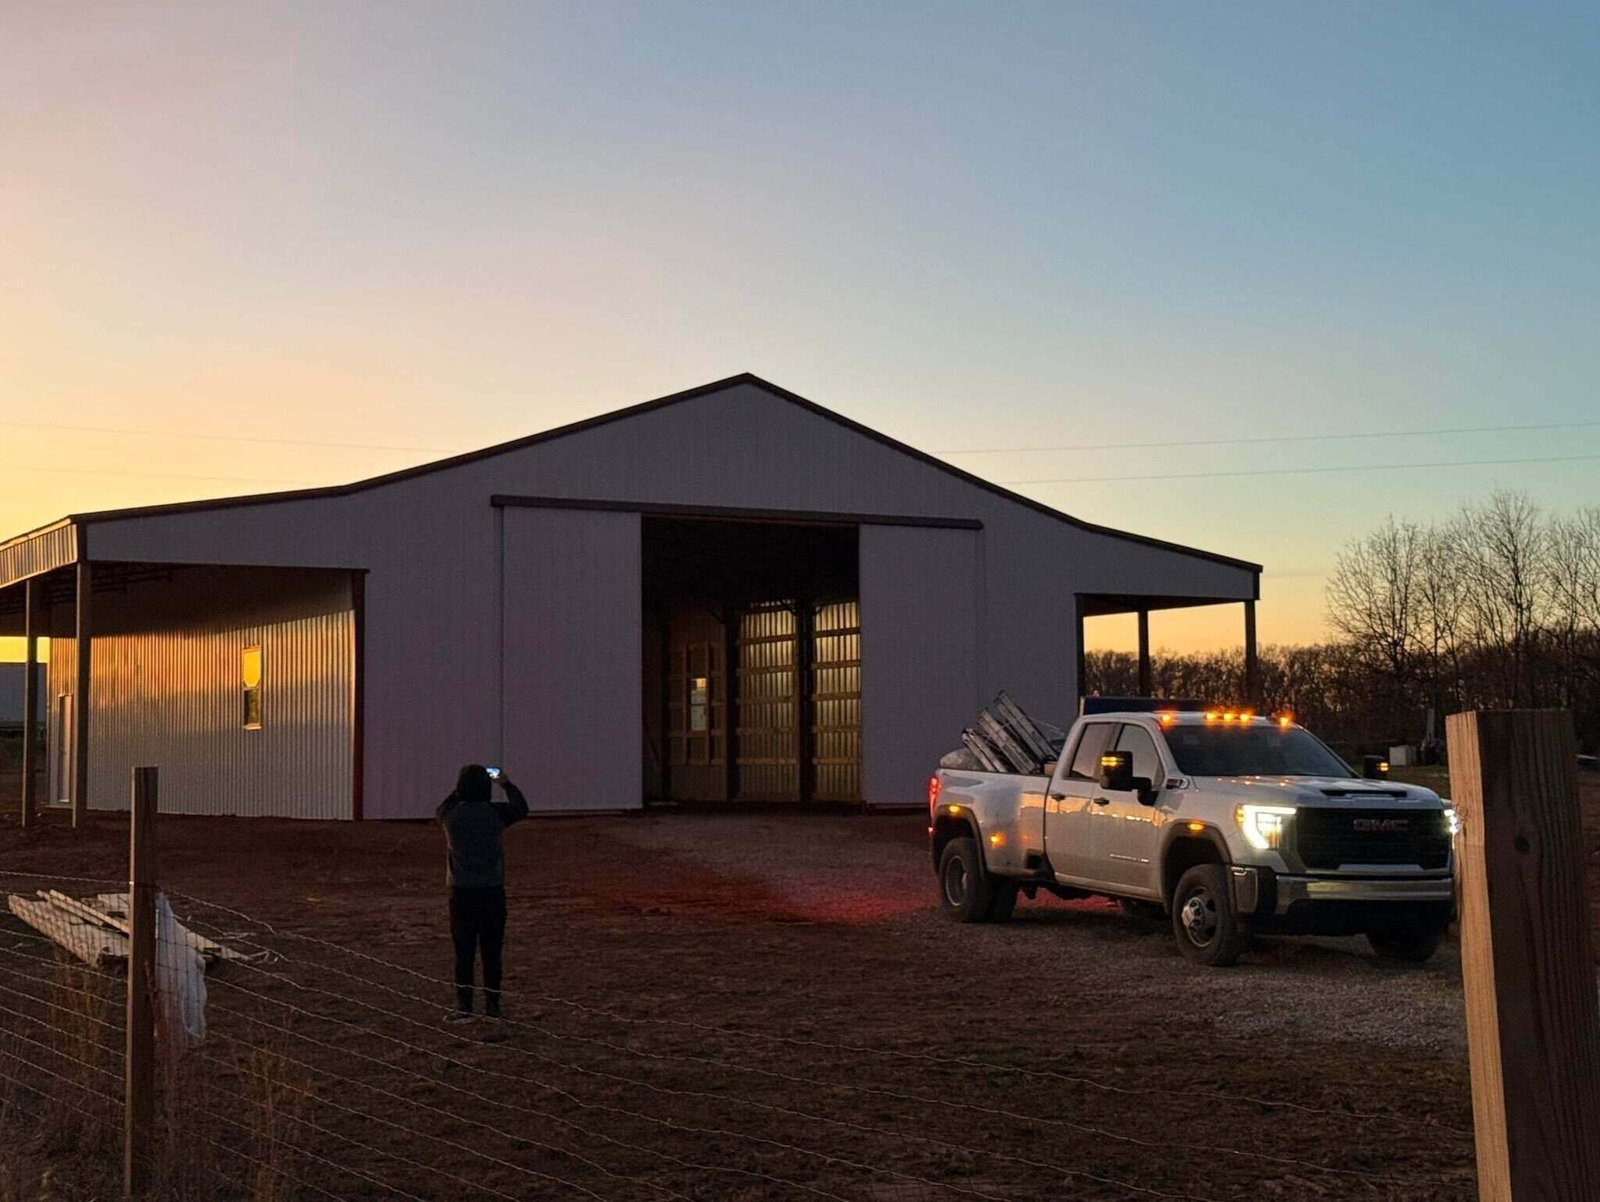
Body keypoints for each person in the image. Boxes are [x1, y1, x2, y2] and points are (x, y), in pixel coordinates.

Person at [436, 764, 528, 1021]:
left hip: (461, 893)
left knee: (463, 954)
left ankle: (465, 1007)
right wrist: (506, 783)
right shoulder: (495, 814)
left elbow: (441, 807)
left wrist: (458, 791)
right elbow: (521, 807)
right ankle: (493, 1006)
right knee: (492, 953)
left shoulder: (450, 816)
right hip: (491, 892)